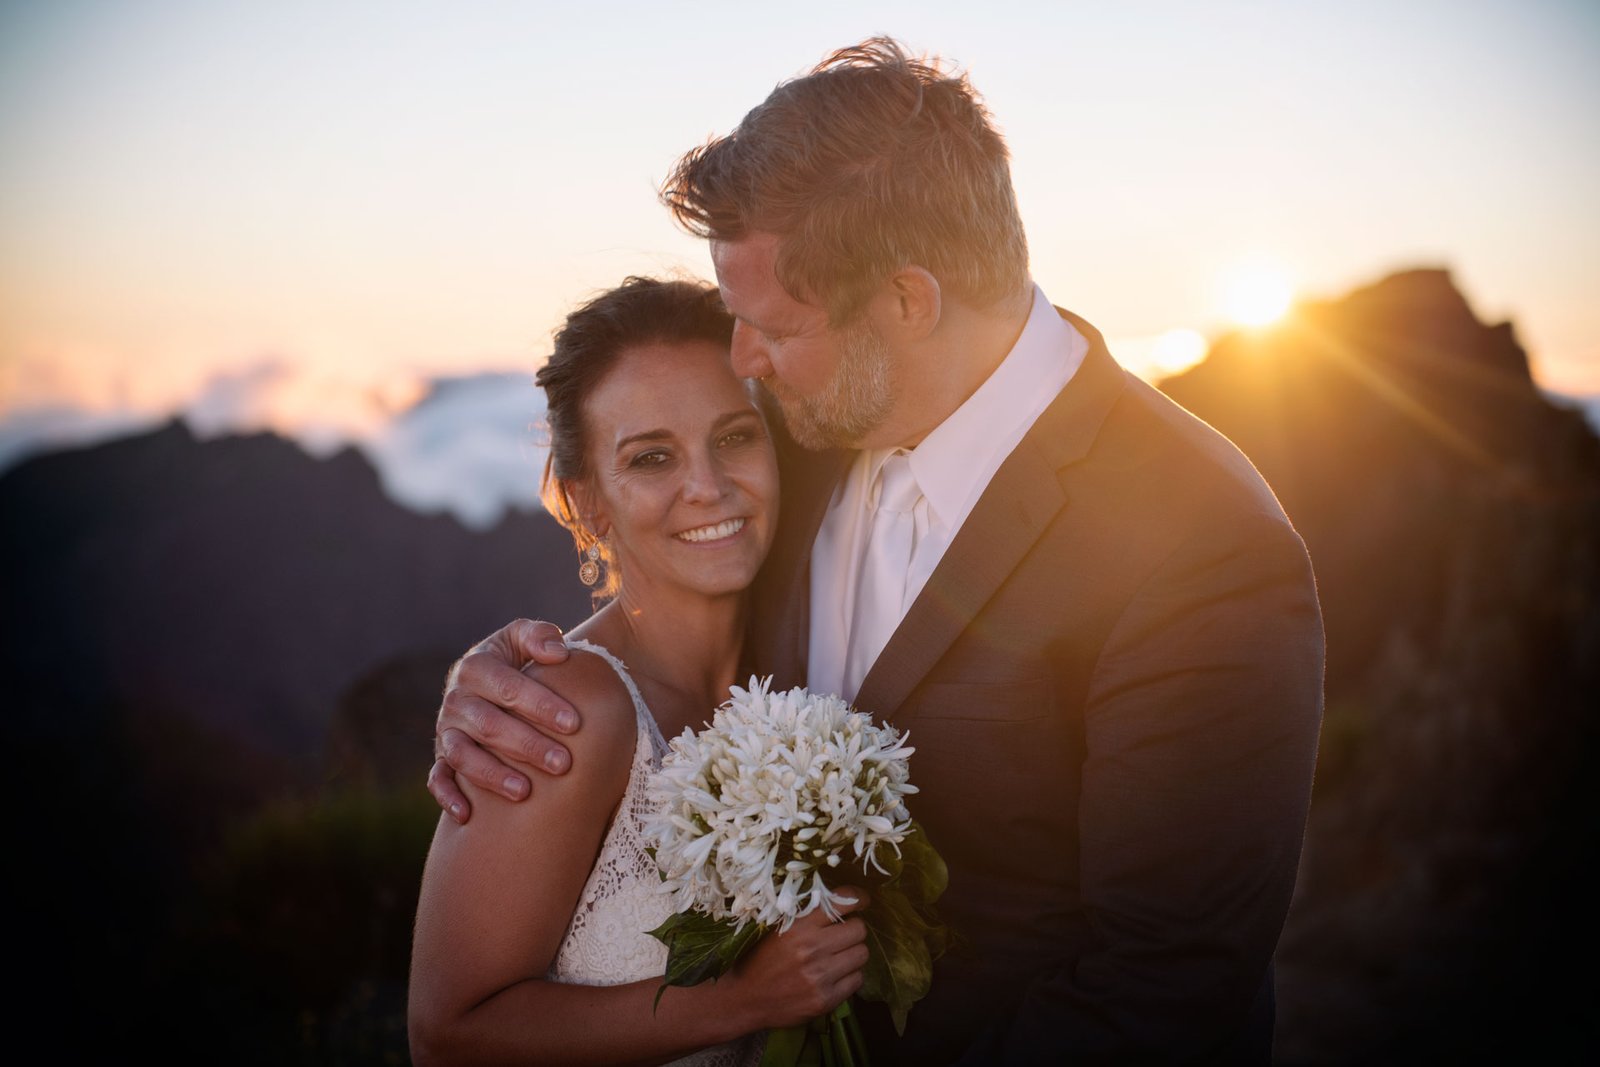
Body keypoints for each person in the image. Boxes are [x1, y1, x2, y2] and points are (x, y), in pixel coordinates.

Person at [429, 39, 1325, 1065]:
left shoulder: (1204, 548)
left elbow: (1164, 991)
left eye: (772, 325)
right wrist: (500, 680)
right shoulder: (791, 437)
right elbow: (661, 595)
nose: (743, 362)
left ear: (907, 301)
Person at [407, 277, 871, 1066]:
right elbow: (448, 1036)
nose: (709, 486)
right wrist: (744, 1000)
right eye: (652, 457)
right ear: (587, 503)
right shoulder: (567, 714)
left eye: (733, 437)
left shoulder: (798, 671)